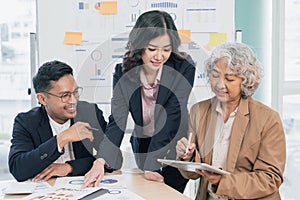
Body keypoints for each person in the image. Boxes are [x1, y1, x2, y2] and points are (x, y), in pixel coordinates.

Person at [83, 10, 196, 192]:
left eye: (166, 49)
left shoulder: (184, 68)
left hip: (174, 148)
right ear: (139, 45)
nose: (159, 56)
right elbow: (117, 120)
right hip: (143, 146)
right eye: (152, 49)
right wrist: (100, 161)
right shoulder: (124, 72)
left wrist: (153, 163)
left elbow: (173, 114)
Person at [176, 42, 286, 199]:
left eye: (229, 78)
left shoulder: (268, 119)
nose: (220, 85)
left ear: (245, 80)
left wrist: (223, 182)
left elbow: (270, 179)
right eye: (215, 76)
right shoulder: (198, 111)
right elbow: (192, 174)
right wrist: (187, 157)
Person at [8, 60, 107, 182]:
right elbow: (18, 169)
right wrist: (62, 139)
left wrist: (70, 167)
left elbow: (113, 158)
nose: (73, 101)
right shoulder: (26, 121)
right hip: (45, 189)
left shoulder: (90, 113)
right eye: (65, 95)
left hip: (83, 185)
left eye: (75, 92)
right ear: (42, 99)